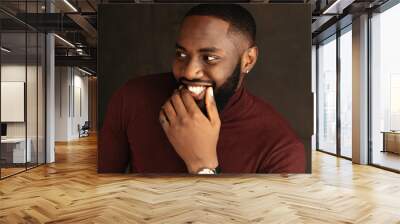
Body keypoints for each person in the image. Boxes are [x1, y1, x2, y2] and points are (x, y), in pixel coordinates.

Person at [98, 4, 305, 174]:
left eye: (210, 58)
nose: (189, 72)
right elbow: (102, 190)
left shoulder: (281, 148)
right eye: (181, 54)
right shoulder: (132, 98)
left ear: (248, 60)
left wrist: (203, 166)